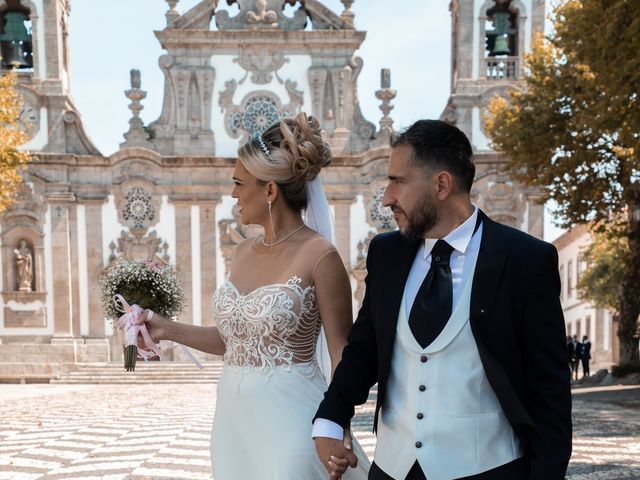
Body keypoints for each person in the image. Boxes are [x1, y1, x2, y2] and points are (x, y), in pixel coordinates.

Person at [313, 120, 572, 480]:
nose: (387, 197)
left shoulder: (525, 260)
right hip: (392, 470)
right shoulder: (386, 254)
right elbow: (364, 349)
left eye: (397, 182)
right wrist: (330, 414)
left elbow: (550, 393)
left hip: (489, 470)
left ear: (441, 184)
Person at [139, 113, 369, 479]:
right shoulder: (243, 252)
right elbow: (232, 339)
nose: (232, 193)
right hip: (233, 419)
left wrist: (337, 422)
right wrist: (166, 329)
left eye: (238, 183)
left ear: (270, 190)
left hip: (293, 418)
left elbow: (342, 351)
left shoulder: (321, 256)